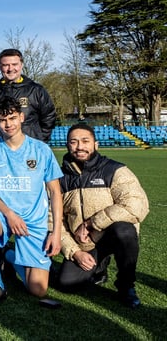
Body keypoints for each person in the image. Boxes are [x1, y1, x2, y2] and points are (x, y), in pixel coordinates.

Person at [0, 96, 63, 306]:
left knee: (38, 290)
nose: (8, 124)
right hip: (3, 215)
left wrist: (56, 232)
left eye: (12, 118)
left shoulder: (41, 150)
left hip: (33, 221)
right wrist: (9, 214)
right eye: (3, 120)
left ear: (21, 117)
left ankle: (10, 256)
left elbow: (55, 193)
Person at [57, 124, 149, 308]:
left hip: (112, 235)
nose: (79, 147)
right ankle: (99, 267)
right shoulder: (59, 178)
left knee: (125, 229)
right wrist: (75, 252)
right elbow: (53, 221)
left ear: (96, 144)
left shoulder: (115, 170)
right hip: (85, 244)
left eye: (85, 141)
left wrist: (92, 223)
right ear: (67, 145)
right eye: (73, 142)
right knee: (67, 283)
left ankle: (126, 285)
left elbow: (137, 205)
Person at [0, 48, 56, 143]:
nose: (10, 69)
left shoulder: (36, 90)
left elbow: (49, 118)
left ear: (21, 65)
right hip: (1, 150)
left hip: (30, 150)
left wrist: (38, 142)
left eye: (14, 64)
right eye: (6, 65)